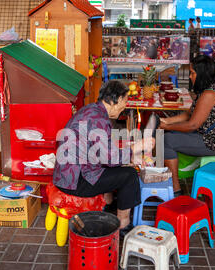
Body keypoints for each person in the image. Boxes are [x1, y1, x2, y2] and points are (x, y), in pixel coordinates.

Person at [53, 80, 155, 235]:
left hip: (68, 175)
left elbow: (103, 152)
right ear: (118, 100)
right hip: (75, 181)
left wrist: (130, 157)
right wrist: (138, 147)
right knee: (130, 175)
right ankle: (123, 226)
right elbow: (109, 158)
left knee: (122, 167)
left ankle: (107, 207)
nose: (125, 106)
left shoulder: (92, 110)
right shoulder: (98, 119)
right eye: (125, 101)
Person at [159, 55, 215, 196]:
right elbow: (190, 114)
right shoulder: (208, 90)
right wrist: (168, 121)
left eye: (192, 73)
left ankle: (175, 189)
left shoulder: (209, 94)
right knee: (169, 135)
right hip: (207, 135)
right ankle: (170, 180)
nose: (189, 76)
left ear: (202, 74)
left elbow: (192, 125)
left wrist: (166, 127)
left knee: (166, 140)